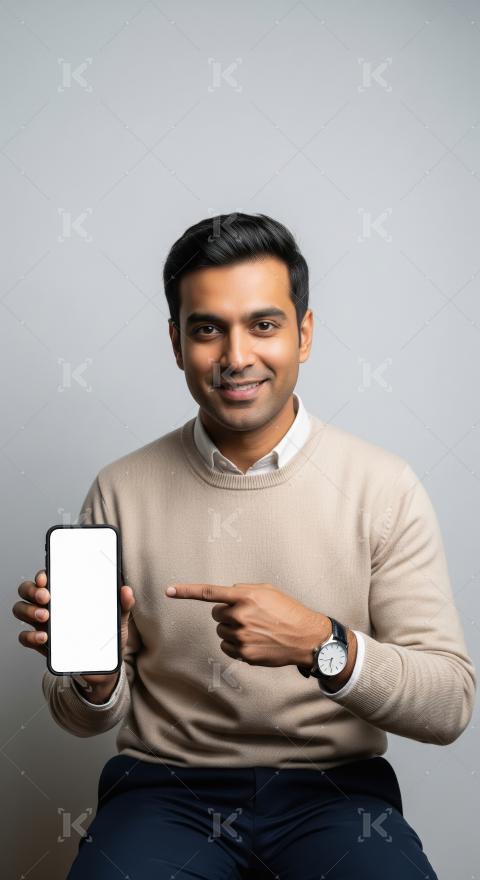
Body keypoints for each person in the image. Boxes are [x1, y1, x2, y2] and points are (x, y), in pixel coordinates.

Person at [14, 213, 475, 879]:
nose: (236, 356)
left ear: (304, 333)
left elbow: (449, 704)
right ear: (176, 342)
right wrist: (96, 676)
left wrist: (323, 643)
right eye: (208, 329)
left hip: (336, 796)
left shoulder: (384, 486)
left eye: (263, 324)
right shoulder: (120, 488)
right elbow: (80, 718)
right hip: (165, 794)